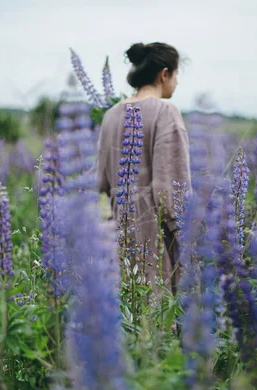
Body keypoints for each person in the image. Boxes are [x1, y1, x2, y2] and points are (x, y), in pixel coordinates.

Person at [96, 42, 191, 296]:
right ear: (164, 74)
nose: (177, 82)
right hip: (152, 226)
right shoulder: (166, 112)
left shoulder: (111, 114)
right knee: (156, 310)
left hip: (117, 223)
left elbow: (101, 182)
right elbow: (169, 187)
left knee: (127, 307)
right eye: (176, 74)